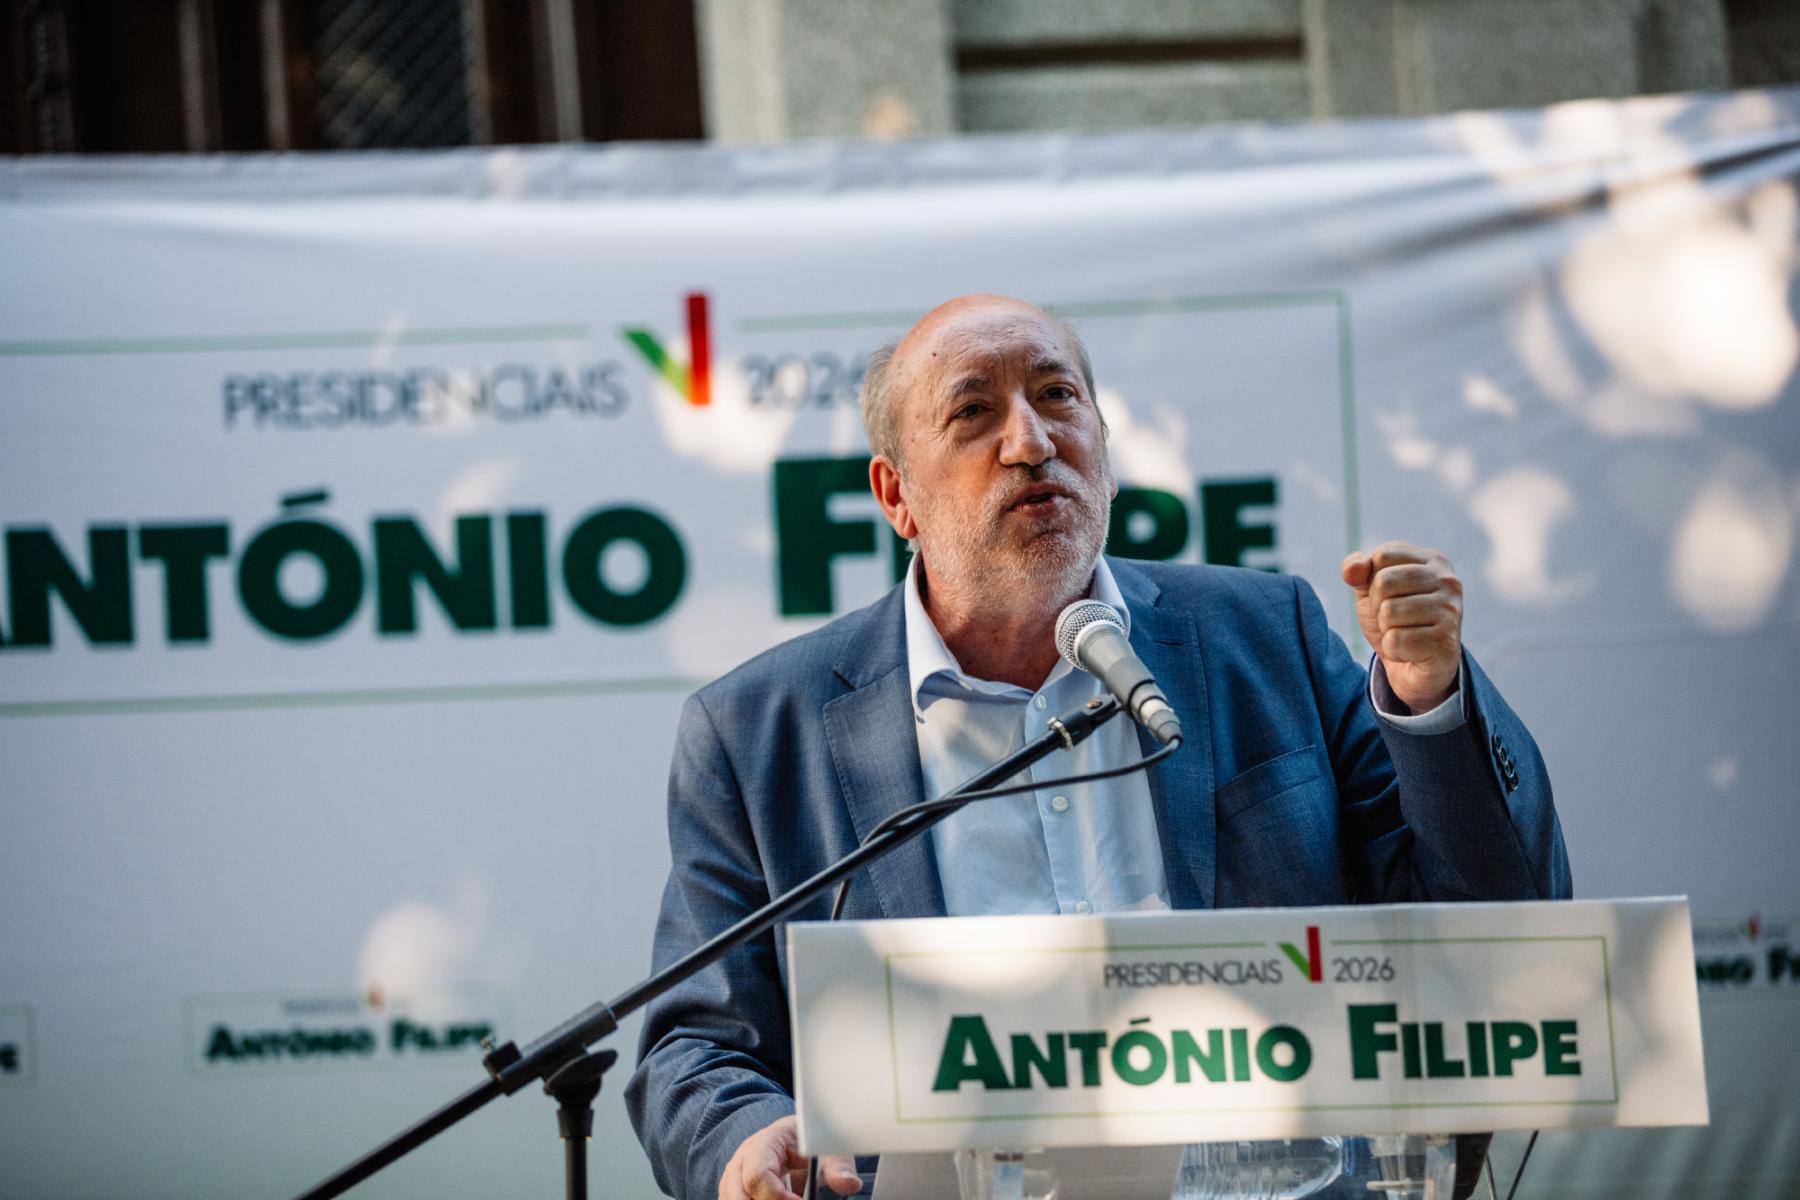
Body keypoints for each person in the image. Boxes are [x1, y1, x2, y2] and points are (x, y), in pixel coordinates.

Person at [625, 294, 1570, 1200]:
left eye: (1057, 396)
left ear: (1106, 452)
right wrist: (744, 1136)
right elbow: (696, 1046)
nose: (1031, 442)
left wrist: (1426, 696)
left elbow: (1496, 930)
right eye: (973, 413)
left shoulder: (1265, 636)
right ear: (896, 495)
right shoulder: (758, 732)